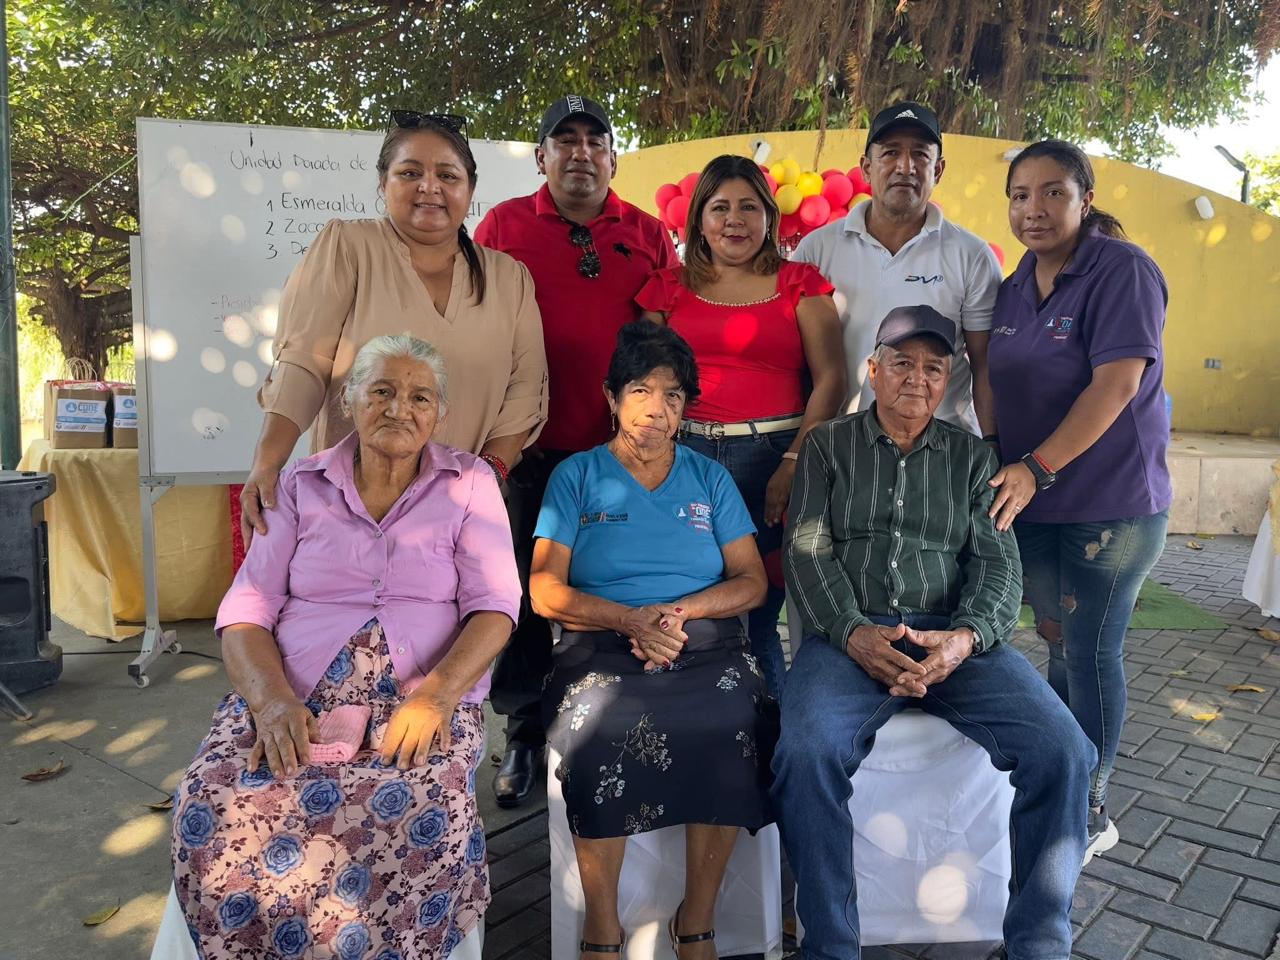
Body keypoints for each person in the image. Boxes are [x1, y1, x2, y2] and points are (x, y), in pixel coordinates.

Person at [172, 335, 521, 960]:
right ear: (349, 400)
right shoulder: (299, 485)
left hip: (422, 693)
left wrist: (438, 696)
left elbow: (496, 605)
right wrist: (271, 701)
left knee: (420, 800)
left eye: (420, 397)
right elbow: (248, 607)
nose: (399, 409)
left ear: (439, 413)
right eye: (381, 390)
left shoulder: (469, 482)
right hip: (297, 691)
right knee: (220, 794)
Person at [774, 305, 1096, 960]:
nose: (916, 379)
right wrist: (853, 633)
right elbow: (806, 553)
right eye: (901, 363)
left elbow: (997, 566)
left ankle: (1038, 946)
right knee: (805, 754)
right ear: (872, 370)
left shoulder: (973, 458)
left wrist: (966, 638)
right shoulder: (828, 447)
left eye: (932, 367)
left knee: (1064, 750)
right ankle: (830, 947)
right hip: (851, 636)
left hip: (952, 637)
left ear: (948, 379)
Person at [530, 320, 774, 959]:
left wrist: (678, 612)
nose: (656, 409)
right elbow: (544, 592)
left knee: (736, 722)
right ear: (611, 397)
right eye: (640, 391)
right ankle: (601, 927)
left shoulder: (709, 478)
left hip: (702, 644)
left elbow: (750, 581)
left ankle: (696, 922)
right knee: (595, 728)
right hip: (601, 646)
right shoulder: (577, 476)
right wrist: (628, 620)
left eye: (672, 395)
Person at [475, 96, 679, 808]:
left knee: (618, 586)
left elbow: (660, 342)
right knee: (524, 595)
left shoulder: (647, 233)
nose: (581, 152)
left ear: (613, 158)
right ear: (542, 157)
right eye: (565, 140)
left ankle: (614, 718)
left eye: (596, 139)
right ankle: (524, 733)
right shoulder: (503, 227)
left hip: (619, 460)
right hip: (528, 451)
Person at [240, 110, 548, 542]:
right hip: (349, 507)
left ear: (470, 189)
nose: (429, 187)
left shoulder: (509, 279)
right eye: (410, 173)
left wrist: (487, 476)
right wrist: (267, 463)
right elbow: (304, 361)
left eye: (447, 175)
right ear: (383, 183)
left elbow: (526, 390)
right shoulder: (348, 247)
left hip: (460, 514)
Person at [988, 139, 1172, 861]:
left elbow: (1117, 384)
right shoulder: (1013, 286)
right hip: (1034, 503)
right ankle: (1060, 773)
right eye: (1020, 195)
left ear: (1085, 199)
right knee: (1058, 641)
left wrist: (1035, 466)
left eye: (1053, 192)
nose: (1033, 209)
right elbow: (996, 379)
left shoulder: (1122, 270)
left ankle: (1090, 804)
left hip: (1112, 505)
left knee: (1091, 650)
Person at [637, 154, 845, 696]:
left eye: (749, 207)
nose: (735, 219)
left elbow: (832, 380)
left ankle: (771, 731)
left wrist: (794, 461)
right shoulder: (665, 287)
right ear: (698, 219)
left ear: (769, 217)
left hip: (772, 460)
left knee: (759, 608)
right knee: (687, 599)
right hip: (682, 459)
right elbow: (643, 381)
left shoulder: (800, 283)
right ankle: (695, 723)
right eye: (720, 207)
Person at [793, 101, 1001, 436]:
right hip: (842, 447)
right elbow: (795, 361)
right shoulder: (816, 250)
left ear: (938, 170)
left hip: (940, 451)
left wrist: (990, 445)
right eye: (890, 153)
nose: (906, 167)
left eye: (920, 154)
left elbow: (985, 365)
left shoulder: (971, 255)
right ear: (866, 167)